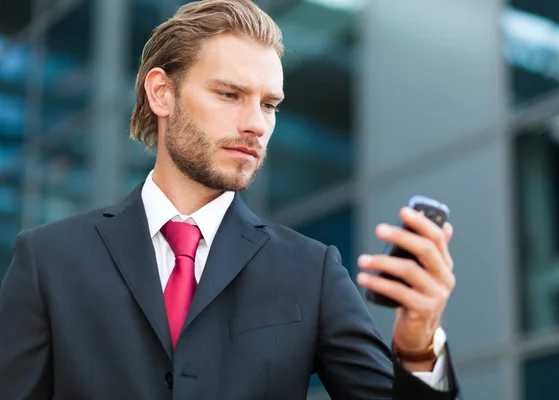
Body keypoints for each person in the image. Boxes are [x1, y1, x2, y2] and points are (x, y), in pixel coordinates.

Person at [0, 0, 460, 398]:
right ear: (162, 93)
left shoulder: (311, 273)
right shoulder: (49, 260)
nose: (257, 125)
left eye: (269, 104)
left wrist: (419, 346)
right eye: (229, 94)